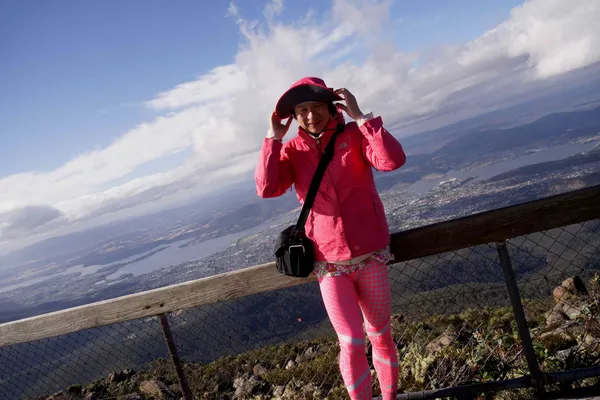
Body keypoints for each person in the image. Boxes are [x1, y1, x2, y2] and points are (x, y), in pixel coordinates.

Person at [255, 77, 406, 400]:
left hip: (371, 255)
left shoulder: (354, 135)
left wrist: (361, 117)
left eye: (316, 108)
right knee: (350, 342)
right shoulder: (292, 150)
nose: (311, 116)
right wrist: (273, 139)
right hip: (329, 263)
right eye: (302, 111)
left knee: (380, 335)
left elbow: (392, 160)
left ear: (331, 107)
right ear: (294, 117)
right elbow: (267, 188)